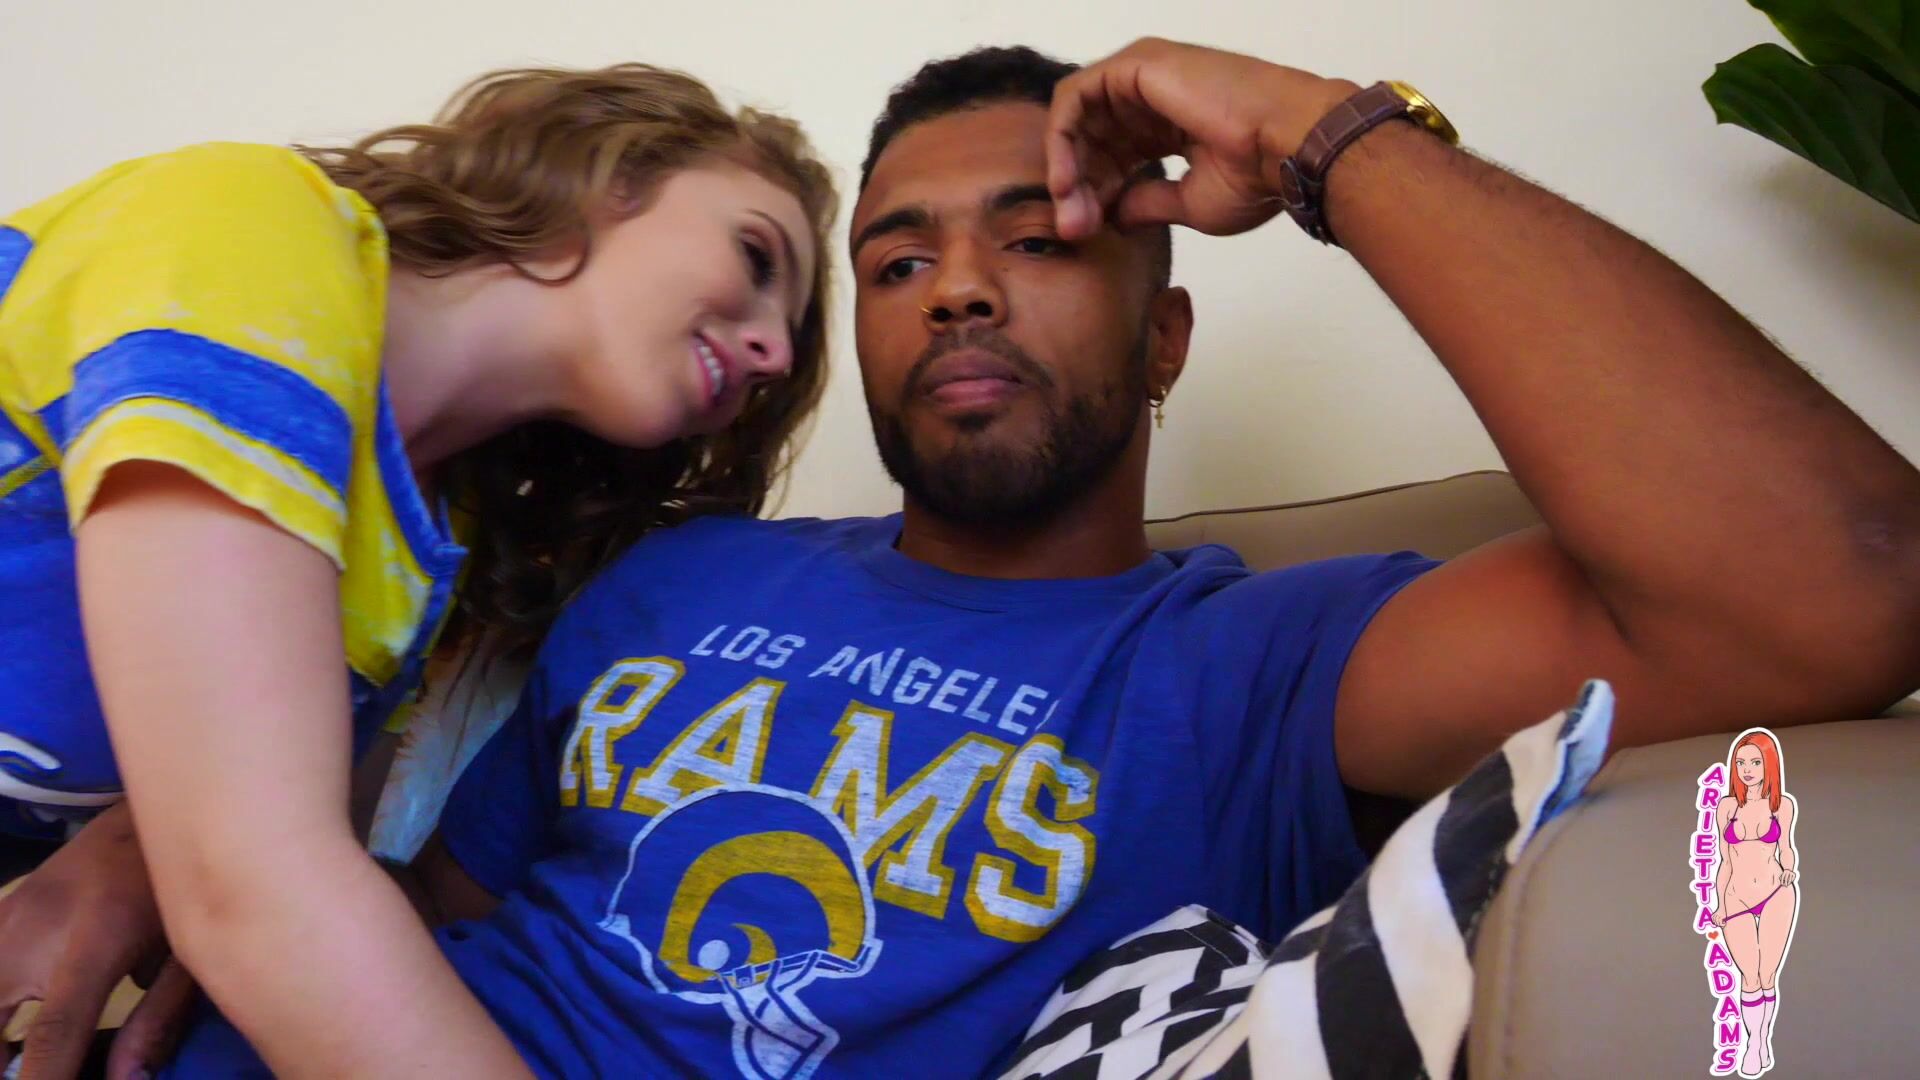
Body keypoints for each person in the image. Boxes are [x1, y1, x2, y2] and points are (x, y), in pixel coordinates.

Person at [30, 34, 1920, 1079]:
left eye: (1041, 235)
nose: (953, 288)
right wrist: (144, 849)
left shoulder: (1255, 668)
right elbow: (388, 894)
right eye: (891, 259)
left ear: (1166, 338)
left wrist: (1328, 139)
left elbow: (1834, 580)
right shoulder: (672, 580)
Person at [0, 63, 836, 1077]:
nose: (772, 352)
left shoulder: (425, 558)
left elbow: (242, 859)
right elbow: (258, 889)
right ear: (610, 171)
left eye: (787, 333)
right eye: (755, 254)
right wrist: (232, 880)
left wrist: (153, 848)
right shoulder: (255, 229)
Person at [1712, 729, 1799, 1076]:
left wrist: (1789, 870)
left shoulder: (1782, 805)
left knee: (1767, 975)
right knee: (1748, 976)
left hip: (1776, 894)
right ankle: (1754, 1043)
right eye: (1741, 763)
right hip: (1736, 899)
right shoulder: (1726, 807)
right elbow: (1724, 861)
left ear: (1769, 764)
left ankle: (1762, 1040)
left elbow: (1787, 848)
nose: (1747, 769)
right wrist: (1719, 904)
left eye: (1755, 762)